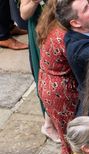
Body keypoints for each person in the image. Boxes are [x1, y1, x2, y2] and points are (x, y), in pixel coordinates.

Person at [32, 0, 79, 154]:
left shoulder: (51, 23)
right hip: (61, 92)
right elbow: (82, 62)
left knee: (67, 133)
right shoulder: (62, 36)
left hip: (48, 85)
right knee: (74, 136)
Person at [19, 0, 61, 144]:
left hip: (62, 22)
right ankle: (49, 124)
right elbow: (24, 14)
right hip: (43, 29)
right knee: (48, 75)